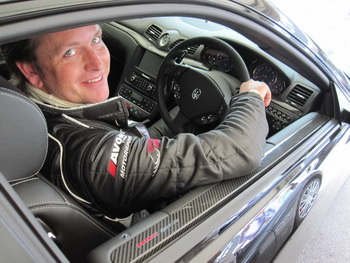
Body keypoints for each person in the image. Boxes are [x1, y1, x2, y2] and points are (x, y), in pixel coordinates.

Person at [2, 24, 271, 224]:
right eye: (70, 52)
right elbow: (240, 149)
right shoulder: (95, 156)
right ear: (32, 71)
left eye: (96, 39)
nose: (97, 63)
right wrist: (250, 97)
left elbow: (135, 144)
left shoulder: (25, 114)